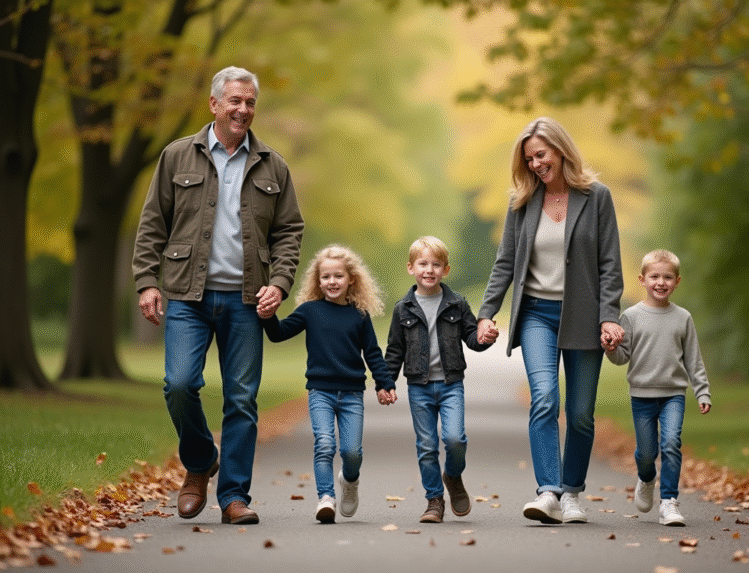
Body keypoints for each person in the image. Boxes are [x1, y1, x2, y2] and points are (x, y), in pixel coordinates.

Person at [132, 66, 304, 525]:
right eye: (235, 101)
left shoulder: (273, 164)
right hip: (188, 296)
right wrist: (147, 281)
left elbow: (290, 232)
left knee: (242, 399)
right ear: (214, 104)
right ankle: (199, 461)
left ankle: (233, 497)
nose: (243, 109)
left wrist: (280, 282)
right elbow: (153, 223)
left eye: (250, 102)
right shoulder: (176, 156)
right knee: (181, 384)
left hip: (247, 300)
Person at [476, 117, 624, 524]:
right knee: (544, 398)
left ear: (560, 150)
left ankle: (572, 493)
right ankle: (548, 492)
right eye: (529, 158)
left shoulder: (596, 197)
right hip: (536, 313)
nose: (536, 164)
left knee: (579, 413)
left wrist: (609, 316)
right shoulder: (522, 201)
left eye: (541, 154)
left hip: (584, 316)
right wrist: (487, 312)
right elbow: (505, 262)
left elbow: (610, 263)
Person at [261, 245, 396, 523]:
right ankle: (326, 498)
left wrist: (384, 382)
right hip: (320, 391)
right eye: (325, 277)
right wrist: (267, 316)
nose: (332, 282)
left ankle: (350, 480)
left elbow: (372, 352)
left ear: (351, 280)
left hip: (351, 394)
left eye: (338, 276)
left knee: (352, 452)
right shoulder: (310, 311)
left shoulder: (359, 314)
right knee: (324, 443)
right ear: (317, 281)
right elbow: (279, 333)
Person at [385, 236, 492, 523]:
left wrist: (484, 338)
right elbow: (395, 350)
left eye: (436, 264)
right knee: (427, 446)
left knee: (455, 439)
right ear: (411, 268)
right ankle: (434, 500)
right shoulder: (402, 308)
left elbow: (471, 337)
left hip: (450, 384)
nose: (429, 270)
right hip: (419, 387)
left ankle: (453, 477)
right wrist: (386, 382)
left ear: (446, 269)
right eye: (422, 264)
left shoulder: (456, 303)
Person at [603, 249, 711, 526]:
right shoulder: (630, 317)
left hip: (674, 394)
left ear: (677, 281)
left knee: (672, 443)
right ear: (642, 279)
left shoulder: (683, 317)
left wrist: (702, 390)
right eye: (654, 276)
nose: (660, 282)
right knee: (647, 452)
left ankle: (669, 503)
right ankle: (646, 478)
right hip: (642, 395)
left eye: (667, 277)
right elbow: (621, 357)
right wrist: (611, 350)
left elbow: (693, 359)